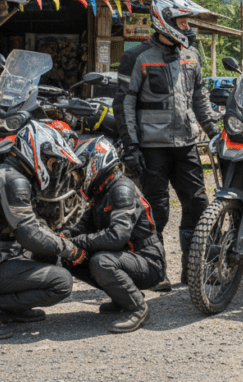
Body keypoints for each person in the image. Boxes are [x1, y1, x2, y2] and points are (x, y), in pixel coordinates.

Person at [117, 0, 219, 287]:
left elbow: (200, 98)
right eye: (183, 21)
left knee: (198, 204)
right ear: (165, 21)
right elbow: (123, 104)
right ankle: (155, 272)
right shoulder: (136, 57)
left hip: (186, 145)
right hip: (151, 149)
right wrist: (131, 146)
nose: (188, 27)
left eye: (188, 22)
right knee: (156, 212)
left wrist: (214, 132)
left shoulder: (192, 55)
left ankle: (192, 270)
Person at [0, 122, 87, 340]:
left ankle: (12, 308)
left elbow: (34, 226)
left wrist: (58, 239)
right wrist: (71, 249)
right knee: (61, 282)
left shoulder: (9, 173)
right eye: (50, 160)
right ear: (34, 150)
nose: (52, 166)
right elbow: (30, 236)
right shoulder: (15, 182)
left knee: (48, 253)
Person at [63, 136, 166, 333]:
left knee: (101, 262)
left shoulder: (121, 189)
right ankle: (122, 298)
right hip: (128, 256)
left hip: (148, 259)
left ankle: (138, 308)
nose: (81, 175)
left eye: (83, 169)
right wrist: (62, 238)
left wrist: (77, 241)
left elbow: (117, 236)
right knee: (72, 258)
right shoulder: (101, 191)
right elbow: (82, 226)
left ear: (97, 162)